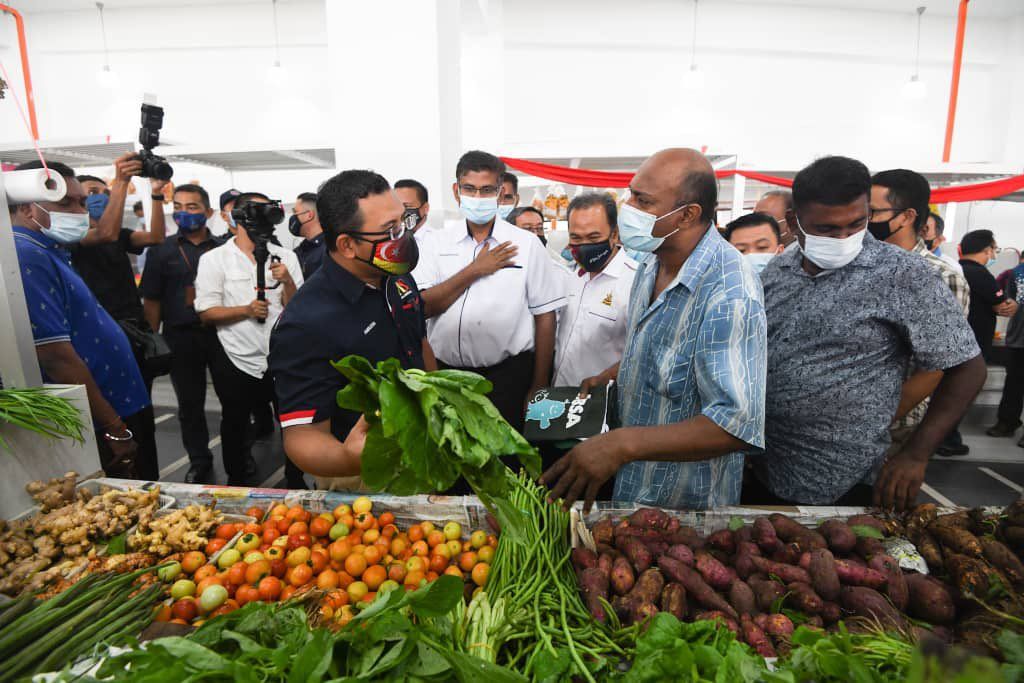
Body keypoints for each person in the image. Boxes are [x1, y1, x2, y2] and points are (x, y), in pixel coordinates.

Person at [747, 156, 984, 510]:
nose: (844, 238)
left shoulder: (903, 275)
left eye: (857, 224)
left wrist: (916, 453)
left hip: (851, 479)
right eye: (827, 229)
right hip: (765, 468)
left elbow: (968, 368)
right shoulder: (776, 271)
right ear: (795, 222)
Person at [541, 148, 767, 511]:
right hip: (635, 484)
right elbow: (670, 352)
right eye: (631, 194)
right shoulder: (651, 262)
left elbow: (735, 424)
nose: (627, 208)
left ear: (687, 214)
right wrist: (616, 373)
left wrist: (622, 445)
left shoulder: (730, 291)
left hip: (685, 503)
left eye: (643, 201)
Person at [269, 170, 433, 481]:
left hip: (421, 449)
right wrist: (351, 458)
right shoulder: (306, 321)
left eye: (403, 222)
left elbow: (418, 343)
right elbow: (301, 436)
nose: (403, 236)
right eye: (390, 230)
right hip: (362, 474)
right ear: (347, 245)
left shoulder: (395, 276)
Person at [9, 160, 157, 480]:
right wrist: (114, 426)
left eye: (81, 203)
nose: (79, 212)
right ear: (26, 208)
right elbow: (54, 355)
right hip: (97, 419)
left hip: (113, 406)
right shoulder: (25, 254)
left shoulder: (50, 249)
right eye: (66, 203)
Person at [414, 151, 568, 430]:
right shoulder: (435, 244)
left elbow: (545, 316)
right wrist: (475, 269)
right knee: (452, 451)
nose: (478, 197)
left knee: (505, 452)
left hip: (507, 378)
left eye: (487, 190)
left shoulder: (526, 245)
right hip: (446, 375)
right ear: (456, 191)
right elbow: (423, 307)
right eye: (469, 189)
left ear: (500, 193)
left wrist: (539, 384)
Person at [194, 192, 303, 486]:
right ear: (239, 217)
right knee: (235, 422)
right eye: (258, 212)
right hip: (235, 356)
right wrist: (246, 310)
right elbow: (206, 312)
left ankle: (296, 480)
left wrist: (287, 281)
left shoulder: (287, 257)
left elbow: (298, 310)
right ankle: (237, 479)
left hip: (280, 356)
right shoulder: (214, 260)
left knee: (292, 421)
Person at [869, 169, 971, 461]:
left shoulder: (939, 276)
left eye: (873, 212)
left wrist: (878, 421)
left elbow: (939, 366)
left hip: (896, 427)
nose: (865, 221)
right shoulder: (863, 265)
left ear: (906, 216)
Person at [140, 184, 225, 483]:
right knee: (190, 405)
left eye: (192, 207)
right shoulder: (161, 250)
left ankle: (240, 456)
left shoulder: (224, 248)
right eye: (177, 207)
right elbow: (152, 300)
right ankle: (199, 460)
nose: (183, 213)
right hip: (181, 337)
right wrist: (153, 340)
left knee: (233, 401)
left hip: (222, 334)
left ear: (208, 212)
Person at [73, 164, 168, 391]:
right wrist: (121, 182)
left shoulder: (119, 235)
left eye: (105, 192)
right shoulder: (73, 236)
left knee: (141, 388)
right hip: (100, 328)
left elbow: (156, 237)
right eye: (92, 192)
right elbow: (104, 234)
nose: (102, 197)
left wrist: (156, 193)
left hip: (133, 326)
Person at [553, 192, 637, 387]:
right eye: (576, 237)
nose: (584, 246)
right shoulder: (571, 276)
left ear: (614, 234)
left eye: (593, 237)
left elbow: (643, 352)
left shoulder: (635, 282)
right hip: (560, 391)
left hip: (602, 397)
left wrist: (606, 377)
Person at [990, 254, 1024, 442]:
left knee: (1014, 383)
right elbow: (1006, 302)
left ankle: (1007, 423)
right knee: (1013, 384)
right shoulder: (1016, 273)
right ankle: (1007, 422)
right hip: (1018, 338)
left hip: (1017, 336)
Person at [289, 192, 325, 279]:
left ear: (309, 215)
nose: (293, 217)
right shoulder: (298, 252)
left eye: (295, 212)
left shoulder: (331, 251)